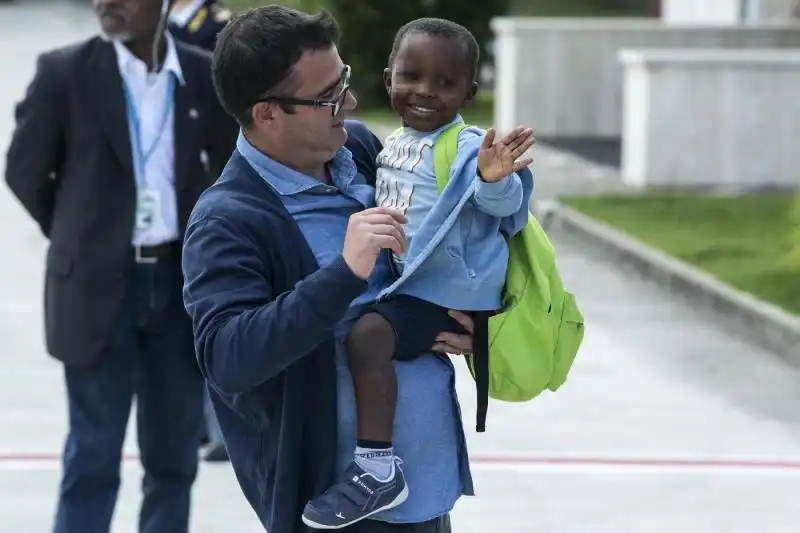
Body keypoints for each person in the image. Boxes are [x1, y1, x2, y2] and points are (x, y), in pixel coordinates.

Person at [180, 6, 498, 533]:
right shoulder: (228, 219)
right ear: (267, 114)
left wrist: (472, 326)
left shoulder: (362, 148)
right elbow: (227, 359)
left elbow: (440, 253)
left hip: (428, 494)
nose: (348, 102)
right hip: (337, 512)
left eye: (344, 80)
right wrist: (343, 274)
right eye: (329, 96)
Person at [3, 0, 237, 531]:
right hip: (95, 287)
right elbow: (24, 171)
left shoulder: (202, 75)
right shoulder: (65, 72)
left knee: (173, 459)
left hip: (178, 288)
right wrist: (77, 232)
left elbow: (226, 170)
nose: (105, 3)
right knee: (92, 454)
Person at [301, 17, 535, 530]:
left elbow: (504, 205)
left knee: (367, 336)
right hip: (412, 284)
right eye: (412, 76)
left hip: (440, 292)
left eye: (445, 83)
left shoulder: (468, 145)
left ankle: (377, 468)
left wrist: (494, 179)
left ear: (469, 91)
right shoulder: (393, 143)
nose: (425, 91)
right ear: (388, 79)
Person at [168, 0, 232, 464]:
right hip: (162, 191)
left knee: (209, 315)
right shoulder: (153, 23)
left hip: (202, 188)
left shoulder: (216, 26)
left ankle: (221, 429)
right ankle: (186, 423)